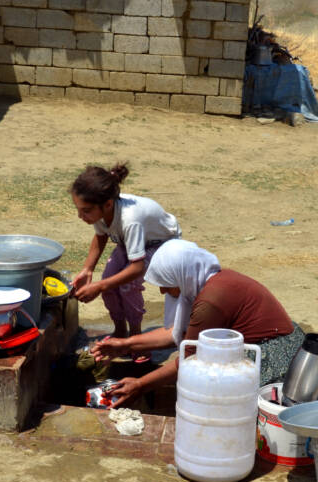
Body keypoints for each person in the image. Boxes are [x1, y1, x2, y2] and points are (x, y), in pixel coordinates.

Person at [91, 239, 305, 407]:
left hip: (277, 356)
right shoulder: (209, 281)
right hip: (277, 343)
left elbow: (191, 360)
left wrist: (139, 385)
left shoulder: (211, 301)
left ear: (181, 275)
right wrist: (124, 345)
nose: (163, 291)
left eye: (166, 284)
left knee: (207, 381)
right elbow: (177, 334)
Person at [70, 163, 181, 359]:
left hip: (161, 244)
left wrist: (99, 286)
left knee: (127, 285)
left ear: (108, 204)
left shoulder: (131, 220)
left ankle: (136, 338)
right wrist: (88, 270)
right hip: (132, 242)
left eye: (85, 211)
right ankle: (120, 331)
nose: (81, 216)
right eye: (79, 209)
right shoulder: (101, 210)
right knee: (109, 279)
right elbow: (101, 236)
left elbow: (137, 268)